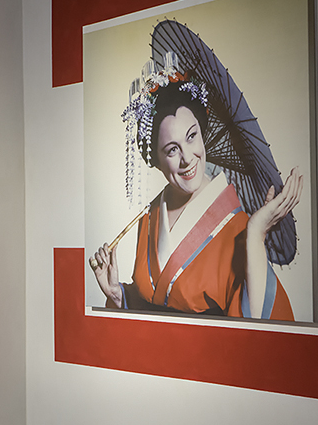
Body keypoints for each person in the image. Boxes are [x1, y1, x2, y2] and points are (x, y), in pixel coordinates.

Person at [91, 61, 302, 320]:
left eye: (192, 136)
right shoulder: (151, 215)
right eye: (172, 149)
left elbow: (256, 326)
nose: (187, 158)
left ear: (203, 133)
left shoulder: (238, 228)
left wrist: (256, 233)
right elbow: (151, 305)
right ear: (156, 160)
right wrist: (117, 295)